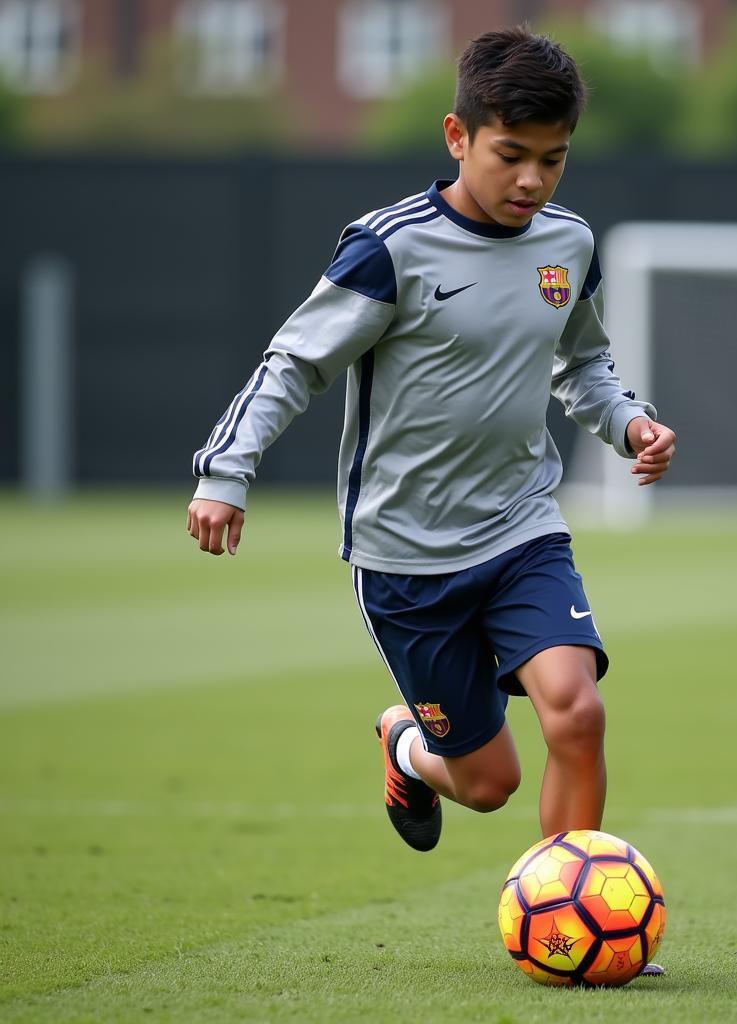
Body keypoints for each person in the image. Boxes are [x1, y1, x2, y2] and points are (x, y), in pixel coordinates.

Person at [186, 26, 675, 865]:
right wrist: (226, 474)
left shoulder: (569, 244)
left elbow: (583, 365)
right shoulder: (389, 248)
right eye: (511, 154)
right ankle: (404, 744)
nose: (531, 180)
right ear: (459, 137)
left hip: (522, 528)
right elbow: (292, 364)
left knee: (577, 710)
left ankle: (574, 912)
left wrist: (629, 420)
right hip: (407, 556)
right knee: (488, 784)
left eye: (553, 160)